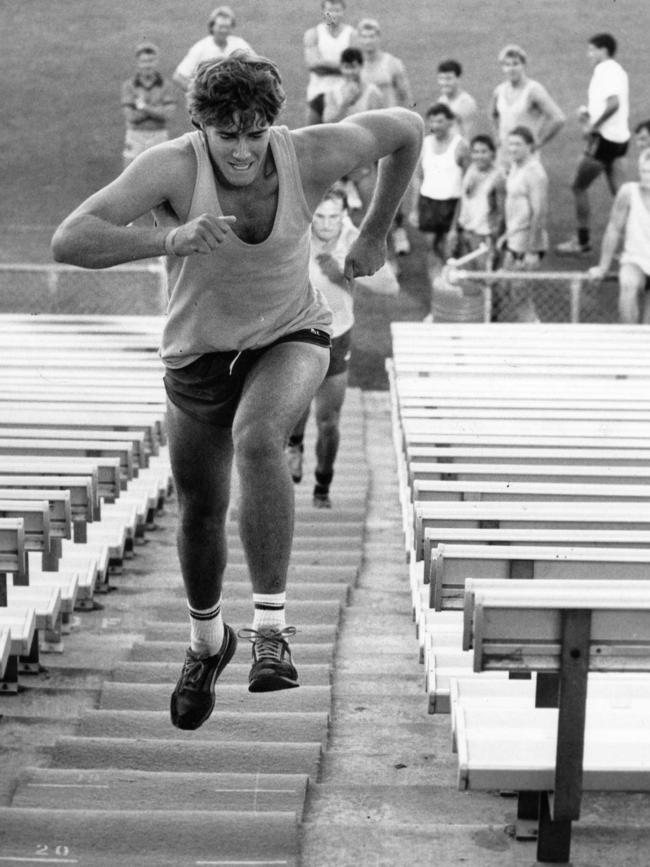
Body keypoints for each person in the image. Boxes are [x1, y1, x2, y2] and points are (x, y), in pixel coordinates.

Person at [51, 53, 423, 731]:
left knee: (260, 439)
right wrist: (170, 235)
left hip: (290, 333)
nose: (245, 150)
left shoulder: (307, 154)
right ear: (202, 127)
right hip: (198, 353)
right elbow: (69, 239)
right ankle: (206, 643)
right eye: (228, 135)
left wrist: (372, 233)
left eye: (256, 133)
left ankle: (271, 631)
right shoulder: (171, 166)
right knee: (200, 509)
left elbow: (406, 126)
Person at [286, 186, 399, 507]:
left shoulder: (353, 239)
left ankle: (323, 486)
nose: (325, 224)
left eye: (333, 217)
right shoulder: (298, 235)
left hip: (338, 335)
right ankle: (295, 444)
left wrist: (345, 272)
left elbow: (390, 286)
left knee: (329, 419)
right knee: (297, 405)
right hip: (301, 333)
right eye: (319, 217)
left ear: (344, 216)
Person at [556, 33, 630, 256]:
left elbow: (613, 104)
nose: (588, 54)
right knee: (622, 196)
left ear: (603, 50)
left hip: (604, 142)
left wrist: (592, 126)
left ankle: (583, 241)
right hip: (620, 140)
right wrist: (588, 115)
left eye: (591, 50)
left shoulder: (605, 71)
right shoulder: (618, 71)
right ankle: (637, 243)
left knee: (578, 186)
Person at [357, 17, 414, 255]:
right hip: (368, 133)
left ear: (378, 37)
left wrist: (409, 124)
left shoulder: (392, 64)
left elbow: (406, 95)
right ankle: (383, 239)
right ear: (359, 39)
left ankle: (399, 227)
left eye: (372, 36)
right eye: (364, 36)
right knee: (373, 188)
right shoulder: (356, 66)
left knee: (395, 183)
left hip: (392, 130)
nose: (369, 41)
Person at [409, 102, 470, 311]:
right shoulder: (425, 144)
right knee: (431, 249)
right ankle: (437, 296)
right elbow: (418, 177)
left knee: (450, 251)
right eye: (432, 120)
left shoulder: (461, 146)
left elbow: (467, 183)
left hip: (451, 204)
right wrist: (415, 208)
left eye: (440, 120)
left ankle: (453, 296)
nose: (435, 124)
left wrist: (456, 223)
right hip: (429, 202)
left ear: (451, 122)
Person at [588, 148, 650, 323]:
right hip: (635, 259)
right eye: (644, 171)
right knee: (628, 285)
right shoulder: (628, 192)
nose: (646, 177)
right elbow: (614, 228)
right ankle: (629, 338)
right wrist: (603, 266)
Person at [495, 125, 548, 322]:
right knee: (508, 288)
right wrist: (507, 234)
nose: (512, 148)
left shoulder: (535, 173)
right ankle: (526, 326)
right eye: (510, 144)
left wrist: (532, 251)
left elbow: (539, 212)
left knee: (520, 293)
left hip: (527, 244)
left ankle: (533, 330)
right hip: (514, 239)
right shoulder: (516, 166)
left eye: (518, 144)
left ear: (530, 146)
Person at [322, 47, 384, 214]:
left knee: (372, 210)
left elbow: (378, 129)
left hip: (363, 159)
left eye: (354, 67)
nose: (350, 72)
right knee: (335, 211)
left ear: (361, 67)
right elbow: (327, 123)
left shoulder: (372, 93)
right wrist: (346, 103)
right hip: (339, 159)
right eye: (347, 67)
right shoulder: (332, 92)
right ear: (341, 68)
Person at [489, 44, 565, 164]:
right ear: (502, 68)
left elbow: (558, 119)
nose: (511, 69)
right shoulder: (499, 90)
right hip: (503, 153)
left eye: (515, 64)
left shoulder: (533, 91)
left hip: (525, 155)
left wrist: (538, 142)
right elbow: (493, 114)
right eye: (507, 65)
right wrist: (496, 136)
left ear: (523, 65)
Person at [447, 134, 505, 260]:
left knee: (483, 276)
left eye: (484, 152)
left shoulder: (498, 177)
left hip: (484, 235)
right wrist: (453, 229)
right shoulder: (470, 170)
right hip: (465, 231)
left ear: (493, 154)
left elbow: (501, 212)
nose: (479, 156)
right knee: (463, 274)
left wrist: (495, 241)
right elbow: (462, 201)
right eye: (476, 152)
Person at [121, 41, 177, 168]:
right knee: (129, 174)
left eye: (151, 61)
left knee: (161, 173)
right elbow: (131, 117)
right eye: (144, 62)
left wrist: (143, 107)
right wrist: (156, 110)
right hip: (135, 135)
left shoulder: (166, 85)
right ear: (138, 63)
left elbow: (167, 115)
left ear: (156, 62)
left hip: (159, 135)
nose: (147, 65)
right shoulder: (129, 86)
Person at [173, 5, 252, 91]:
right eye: (220, 27)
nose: (224, 31)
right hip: (209, 97)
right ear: (212, 27)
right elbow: (178, 76)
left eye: (227, 27)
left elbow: (258, 67)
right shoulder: (201, 47)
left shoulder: (240, 44)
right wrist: (198, 94)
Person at [303, 0, 357, 124]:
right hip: (317, 93)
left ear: (343, 12)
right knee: (312, 135)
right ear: (323, 12)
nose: (334, 15)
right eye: (330, 11)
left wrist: (323, 64)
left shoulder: (352, 35)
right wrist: (342, 67)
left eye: (337, 11)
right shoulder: (314, 34)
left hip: (343, 95)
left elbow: (355, 68)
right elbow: (313, 65)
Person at [436, 59, 478, 141]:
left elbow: (469, 134)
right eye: (441, 78)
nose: (444, 83)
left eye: (448, 79)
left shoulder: (466, 103)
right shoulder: (441, 101)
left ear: (458, 79)